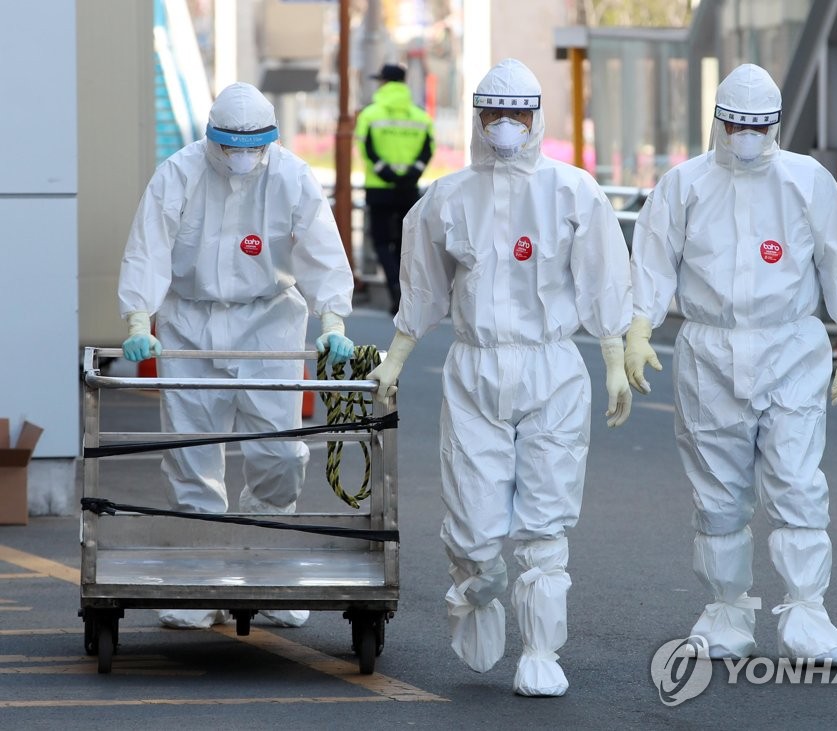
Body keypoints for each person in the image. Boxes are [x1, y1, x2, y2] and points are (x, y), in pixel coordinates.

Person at [366, 58, 632, 696]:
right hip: (475, 366)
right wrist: (396, 358)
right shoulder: (447, 198)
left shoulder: (574, 191)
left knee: (545, 523)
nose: (505, 126)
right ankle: (477, 588)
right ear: (478, 116)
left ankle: (541, 651)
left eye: (518, 114)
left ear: (537, 118)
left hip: (553, 368)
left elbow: (605, 280)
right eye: (494, 114)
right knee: (474, 525)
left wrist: (616, 360)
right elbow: (423, 289)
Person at [625, 63, 837, 662]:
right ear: (719, 122)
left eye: (758, 127)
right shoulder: (684, 186)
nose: (746, 137)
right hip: (709, 350)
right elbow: (653, 259)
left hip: (790, 347)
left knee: (797, 481)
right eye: (736, 125)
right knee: (718, 491)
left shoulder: (806, 182)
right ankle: (726, 610)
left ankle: (807, 613)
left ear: (776, 126)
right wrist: (637, 326)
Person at [118, 82, 355, 630]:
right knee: (193, 456)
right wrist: (137, 316)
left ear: (271, 140)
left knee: (279, 455)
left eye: (254, 146)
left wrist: (334, 318)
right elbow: (148, 247)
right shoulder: (178, 174)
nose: (242, 158)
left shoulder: (292, 177)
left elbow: (321, 249)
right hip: (190, 323)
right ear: (211, 139)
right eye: (230, 146)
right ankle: (199, 586)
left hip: (268, 321)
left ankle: (264, 574)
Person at [355, 62, 434, 314]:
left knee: (380, 241)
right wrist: (413, 172)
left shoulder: (371, 113)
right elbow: (428, 147)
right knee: (404, 244)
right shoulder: (420, 115)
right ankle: (404, 291)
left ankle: (393, 289)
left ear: (384, 83)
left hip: (379, 187)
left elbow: (366, 148)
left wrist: (383, 171)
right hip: (408, 188)